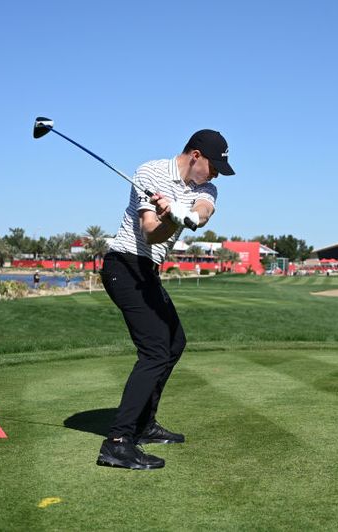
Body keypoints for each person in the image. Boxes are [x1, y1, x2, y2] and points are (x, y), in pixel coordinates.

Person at [96, 129, 235, 470]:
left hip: (148, 271)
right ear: (196, 155)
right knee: (155, 350)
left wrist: (187, 215)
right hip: (124, 266)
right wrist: (172, 219)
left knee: (174, 342)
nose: (215, 173)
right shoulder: (151, 172)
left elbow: (203, 211)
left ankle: (144, 424)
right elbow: (149, 230)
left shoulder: (206, 187)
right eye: (213, 165)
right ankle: (117, 442)